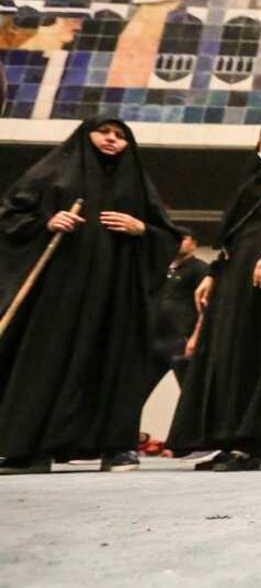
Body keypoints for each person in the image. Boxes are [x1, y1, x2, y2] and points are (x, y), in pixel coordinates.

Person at [0, 117, 182, 474]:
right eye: (105, 133)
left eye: (121, 136)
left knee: (112, 361)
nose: (112, 140)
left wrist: (141, 227)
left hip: (116, 294)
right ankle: (29, 450)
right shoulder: (52, 174)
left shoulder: (137, 184)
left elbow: (167, 234)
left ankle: (115, 448)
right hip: (59, 292)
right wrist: (47, 222)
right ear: (86, 135)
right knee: (46, 361)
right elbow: (9, 216)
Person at [168, 117, 261, 472]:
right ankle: (227, 438)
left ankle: (252, 442)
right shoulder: (251, 178)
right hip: (236, 274)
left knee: (260, 348)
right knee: (230, 351)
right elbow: (233, 233)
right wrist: (214, 274)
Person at [150, 231, 208, 387]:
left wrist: (196, 338)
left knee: (190, 389)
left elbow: (207, 306)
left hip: (182, 340)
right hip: (156, 338)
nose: (178, 243)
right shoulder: (163, 269)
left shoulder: (200, 269)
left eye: (182, 239)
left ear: (194, 244)